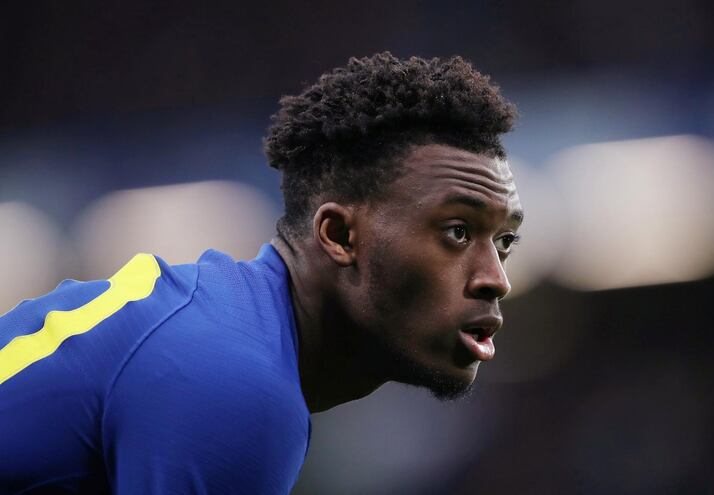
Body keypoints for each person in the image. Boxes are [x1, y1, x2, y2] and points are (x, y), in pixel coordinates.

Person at [0, 52, 523, 494]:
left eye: (503, 242)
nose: (495, 278)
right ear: (340, 236)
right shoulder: (231, 384)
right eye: (457, 231)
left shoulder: (218, 326)